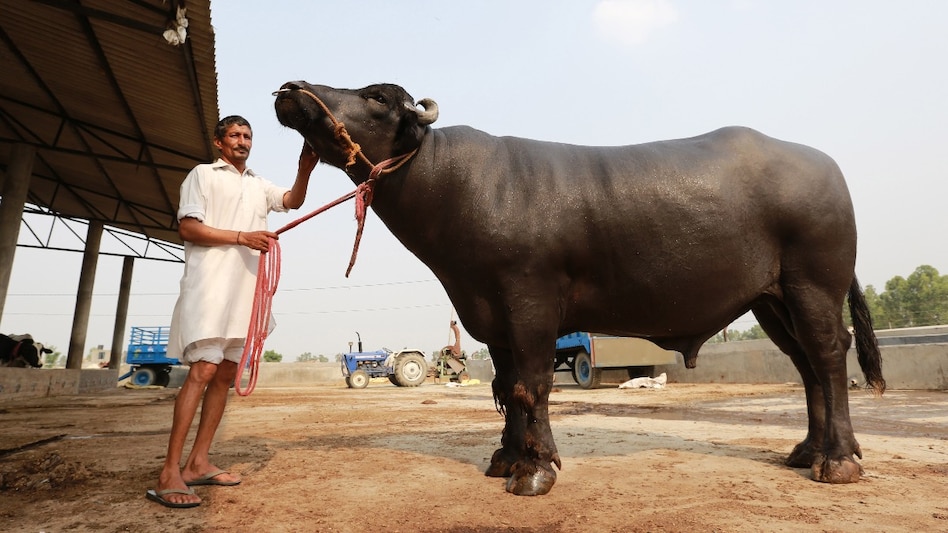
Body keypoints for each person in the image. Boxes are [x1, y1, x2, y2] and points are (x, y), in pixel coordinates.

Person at [146, 115, 318, 509]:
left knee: (224, 373)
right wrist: (242, 236)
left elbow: (291, 201)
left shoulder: (257, 184)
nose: (242, 141)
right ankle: (169, 471)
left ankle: (198, 462)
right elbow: (188, 229)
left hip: (246, 292)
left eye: (248, 136)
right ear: (218, 143)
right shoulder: (202, 175)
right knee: (203, 370)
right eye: (235, 135)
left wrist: (304, 169)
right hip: (209, 288)